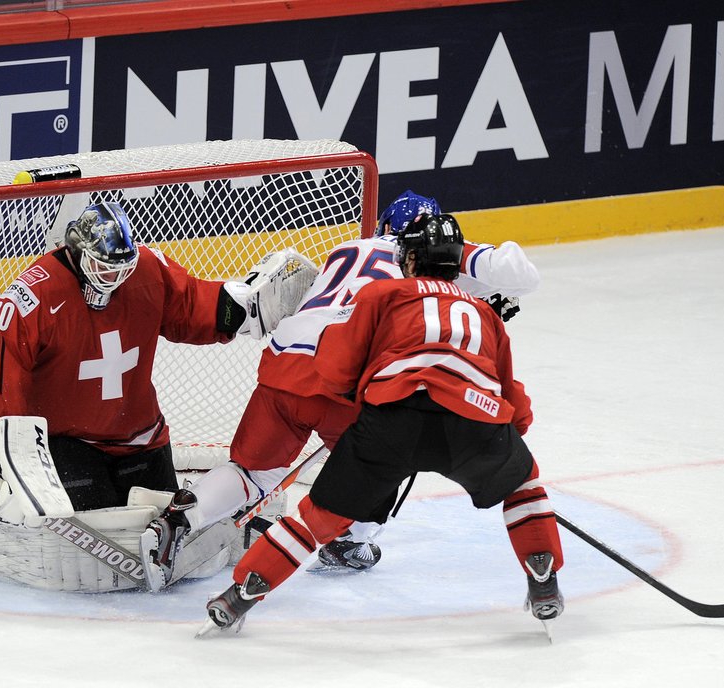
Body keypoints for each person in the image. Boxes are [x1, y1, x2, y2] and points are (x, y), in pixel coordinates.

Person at [0, 201, 318, 594]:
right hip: (67, 444)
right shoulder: (34, 293)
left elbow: (191, 304)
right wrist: (1, 451)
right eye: (102, 268)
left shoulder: (148, 269)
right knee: (90, 535)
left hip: (141, 438)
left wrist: (240, 308)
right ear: (77, 253)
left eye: (121, 269)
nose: (113, 280)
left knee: (164, 527)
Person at [140, 191, 541, 591]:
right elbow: (519, 277)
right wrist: (474, 277)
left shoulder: (346, 249)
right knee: (390, 459)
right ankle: (350, 542)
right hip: (344, 378)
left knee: (254, 472)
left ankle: (179, 518)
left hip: (284, 367)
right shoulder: (420, 260)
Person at [198, 212, 565, 637]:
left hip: (393, 422)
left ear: (408, 259)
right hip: (472, 418)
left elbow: (336, 368)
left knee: (317, 518)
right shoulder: (483, 312)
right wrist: (504, 452)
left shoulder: (381, 295)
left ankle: (243, 591)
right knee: (524, 486)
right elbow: (512, 400)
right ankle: (543, 576)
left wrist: (371, 400)